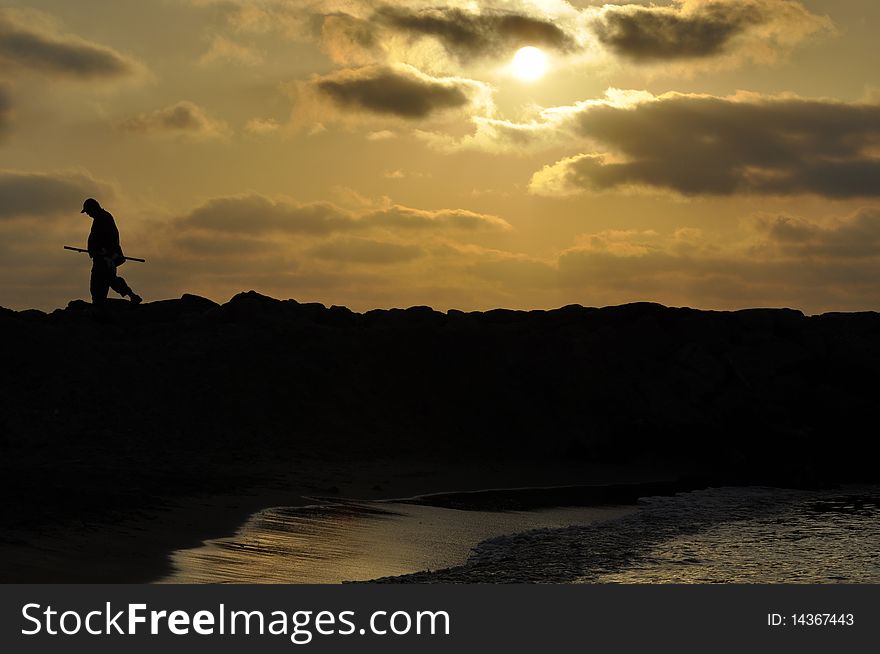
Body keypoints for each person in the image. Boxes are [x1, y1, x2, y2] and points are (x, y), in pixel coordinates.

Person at [81, 198, 142, 305]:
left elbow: (113, 237)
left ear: (93, 208)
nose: (88, 214)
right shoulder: (100, 218)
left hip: (105, 258)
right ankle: (131, 296)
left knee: (101, 283)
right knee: (109, 281)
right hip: (101, 257)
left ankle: (101, 305)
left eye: (88, 211)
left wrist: (109, 253)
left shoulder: (104, 218)